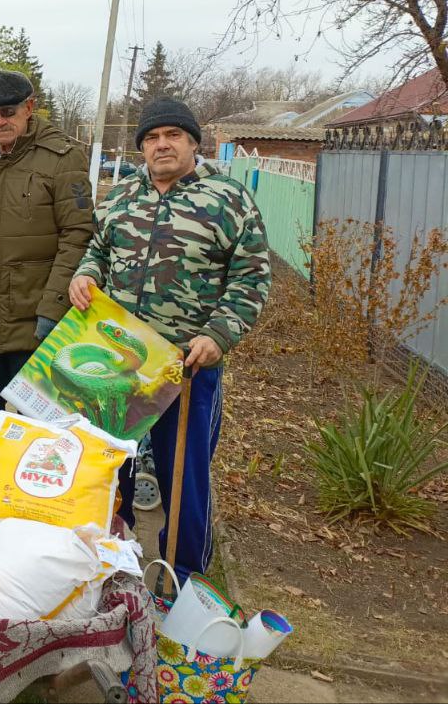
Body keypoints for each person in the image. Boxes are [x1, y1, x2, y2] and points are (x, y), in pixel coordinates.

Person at [70, 98, 271, 584]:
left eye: (172, 136)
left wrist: (218, 335)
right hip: (116, 358)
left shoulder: (227, 199)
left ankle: (181, 575)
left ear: (193, 143)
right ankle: (109, 556)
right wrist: (85, 275)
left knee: (185, 476)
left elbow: (251, 276)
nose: (161, 145)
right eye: (152, 138)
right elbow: (99, 247)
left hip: (186, 363)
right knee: (105, 463)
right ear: (141, 147)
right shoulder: (122, 195)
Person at [0, 70, 93, 449]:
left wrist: (54, 307)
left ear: (29, 107)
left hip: (35, 321)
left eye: (7, 111)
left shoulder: (64, 157)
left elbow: (78, 235)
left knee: (41, 434)